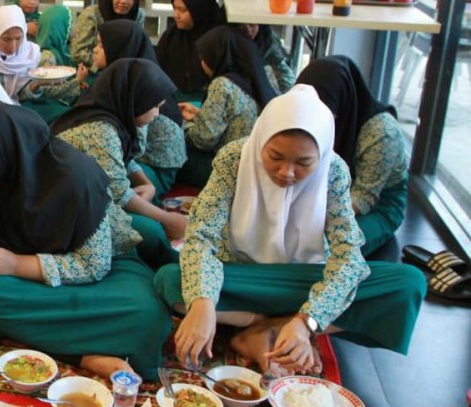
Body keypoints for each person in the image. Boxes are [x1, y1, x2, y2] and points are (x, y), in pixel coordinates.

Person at [154, 86, 426, 375]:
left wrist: (307, 320)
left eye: (304, 163)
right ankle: (271, 328)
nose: (287, 172)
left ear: (321, 155)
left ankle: (272, 328)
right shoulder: (236, 157)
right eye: (275, 156)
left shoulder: (333, 171)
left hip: (299, 280)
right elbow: (201, 234)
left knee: (408, 283)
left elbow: (348, 257)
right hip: (243, 277)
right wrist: (203, 301)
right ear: (261, 141)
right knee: (171, 279)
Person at [0, 102, 171, 380]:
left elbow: (94, 266)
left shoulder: (76, 179)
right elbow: (4, 232)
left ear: (3, 151)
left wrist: (16, 264)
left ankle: (37, 337)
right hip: (32, 285)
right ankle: (77, 350)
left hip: (102, 277)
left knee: (148, 313)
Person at [53, 59, 183, 269]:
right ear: (134, 99)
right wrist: (168, 220)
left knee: (151, 208)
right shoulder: (100, 129)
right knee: (151, 231)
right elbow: (119, 193)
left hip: (92, 195)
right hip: (69, 207)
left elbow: (122, 159)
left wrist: (147, 183)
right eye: (154, 107)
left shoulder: (117, 118)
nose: (157, 114)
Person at [296, 56, 407, 255]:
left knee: (328, 249)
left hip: (376, 204)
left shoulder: (382, 132)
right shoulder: (308, 117)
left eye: (324, 111)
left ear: (341, 101)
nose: (316, 118)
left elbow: (363, 198)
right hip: (327, 192)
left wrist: (310, 220)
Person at [89, 21, 187, 199]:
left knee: (101, 181)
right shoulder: (124, 78)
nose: (95, 50)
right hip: (141, 158)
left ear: (119, 49)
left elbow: (136, 148)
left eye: (102, 45)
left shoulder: (137, 86)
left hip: (156, 168)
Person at [179, 26, 276, 186]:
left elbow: (204, 140)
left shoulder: (222, 84)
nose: (202, 63)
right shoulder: (265, 73)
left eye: (204, 57)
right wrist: (199, 115)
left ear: (218, 56)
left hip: (230, 171)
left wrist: (184, 124)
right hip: (261, 167)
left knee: (174, 153)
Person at [0, 5, 83, 110]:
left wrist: (37, 84)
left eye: (18, 38)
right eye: (6, 39)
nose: (13, 46)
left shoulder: (29, 55)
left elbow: (20, 95)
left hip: (14, 109)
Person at [156, 0, 223, 100]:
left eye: (182, 10)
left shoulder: (218, 39)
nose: (176, 15)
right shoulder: (171, 36)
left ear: (199, 10)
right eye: (175, 8)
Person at [71, 0, 145, 67]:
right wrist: (106, 64)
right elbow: (77, 52)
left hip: (126, 70)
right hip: (94, 70)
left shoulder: (137, 16)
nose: (123, 1)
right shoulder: (92, 14)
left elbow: (137, 49)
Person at [237, 23, 296, 94]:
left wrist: (288, 95)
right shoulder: (229, 39)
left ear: (259, 25)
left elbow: (284, 74)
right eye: (241, 26)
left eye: (252, 25)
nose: (248, 30)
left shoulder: (268, 40)